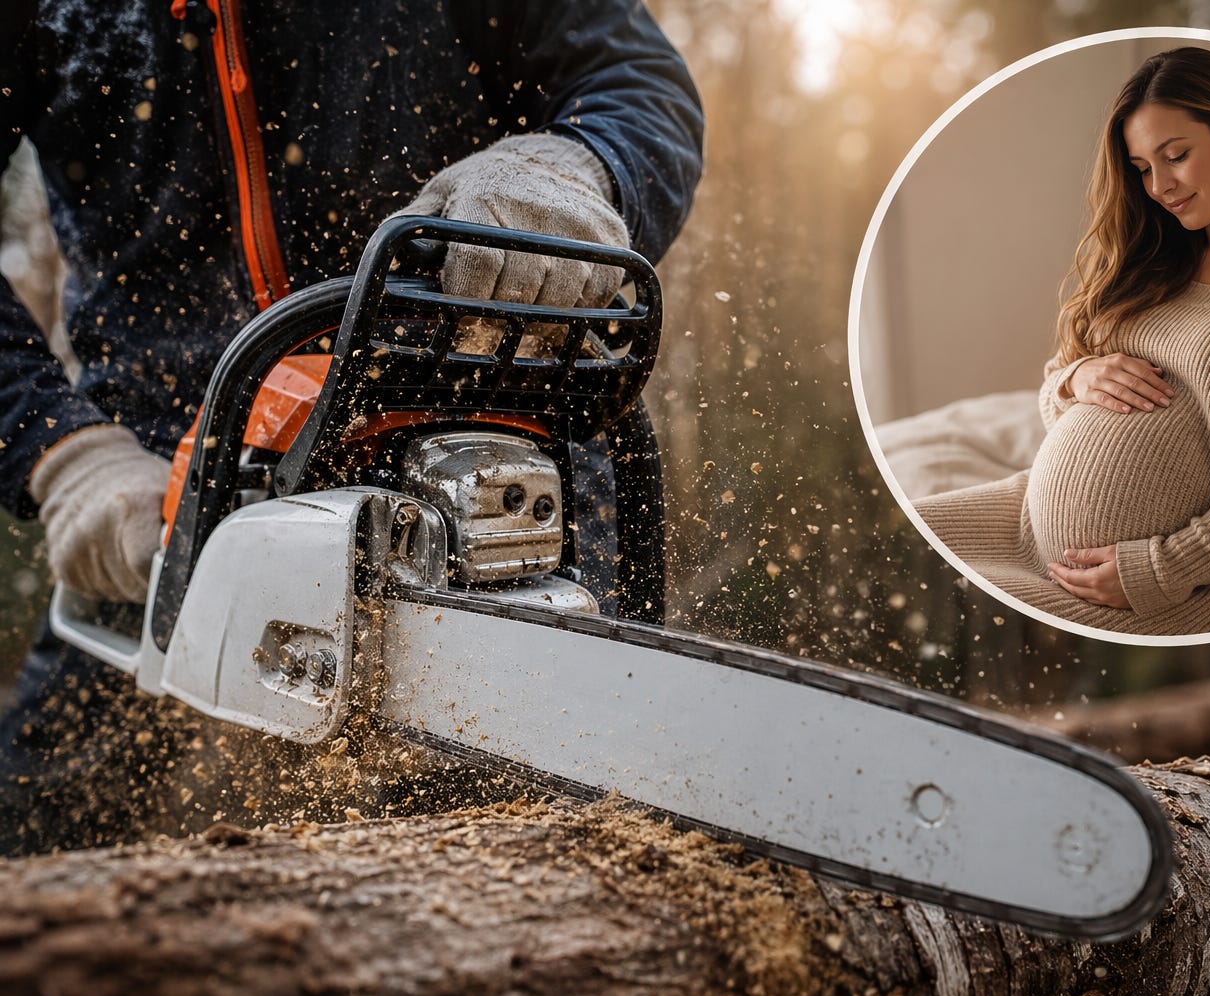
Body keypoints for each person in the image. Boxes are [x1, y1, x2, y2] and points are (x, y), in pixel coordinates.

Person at [0, 0, 703, 854]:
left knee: (543, 846)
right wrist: (61, 448)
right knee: (38, 830)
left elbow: (635, 80)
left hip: (476, 441)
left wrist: (572, 166)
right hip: (168, 480)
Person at [913, 47, 1210, 636]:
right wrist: (1077, 378)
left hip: (1186, 588)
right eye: (1141, 168)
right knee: (866, 541)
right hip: (1023, 521)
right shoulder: (1160, 258)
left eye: (1176, 156)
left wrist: (1162, 568)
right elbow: (1060, 378)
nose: (1158, 186)